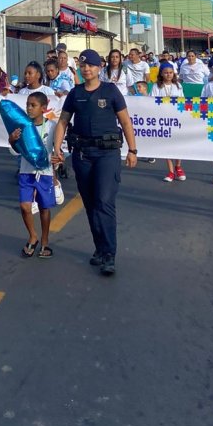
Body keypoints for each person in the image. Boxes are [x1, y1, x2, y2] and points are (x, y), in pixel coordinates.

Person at [52, 49, 138, 276]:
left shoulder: (111, 91)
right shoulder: (75, 93)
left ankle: (109, 254)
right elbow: (62, 122)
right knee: (90, 204)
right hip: (82, 155)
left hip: (107, 155)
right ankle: (100, 248)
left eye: (90, 65)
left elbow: (126, 122)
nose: (86, 68)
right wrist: (57, 149)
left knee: (103, 201)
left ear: (99, 67)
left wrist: (132, 149)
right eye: (83, 65)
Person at [9, 91, 56, 258]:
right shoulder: (22, 126)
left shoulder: (52, 126)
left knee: (44, 208)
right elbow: (17, 150)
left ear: (43, 108)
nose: (29, 108)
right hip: (26, 172)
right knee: (24, 206)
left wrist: (58, 158)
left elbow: (56, 149)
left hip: (45, 173)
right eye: (27, 105)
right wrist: (12, 140)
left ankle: (44, 241)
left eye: (33, 105)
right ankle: (33, 236)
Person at [152, 62, 186, 183]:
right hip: (164, 119)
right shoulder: (157, 86)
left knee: (178, 145)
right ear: (161, 73)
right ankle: (171, 171)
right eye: (166, 73)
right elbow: (152, 101)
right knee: (167, 146)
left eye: (170, 73)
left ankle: (178, 166)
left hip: (176, 119)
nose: (168, 75)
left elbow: (182, 101)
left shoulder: (178, 86)